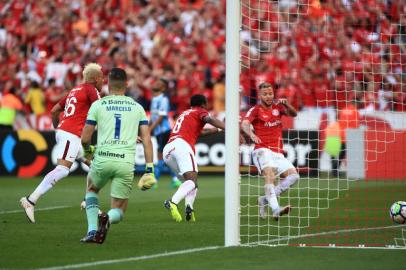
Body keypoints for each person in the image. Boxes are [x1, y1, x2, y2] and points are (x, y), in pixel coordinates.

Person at [20, 63, 104, 223]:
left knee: (97, 166)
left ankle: (88, 201)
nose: (103, 82)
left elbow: (54, 111)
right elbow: (102, 109)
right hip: (72, 134)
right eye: (102, 79)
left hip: (66, 132)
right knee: (63, 170)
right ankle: (30, 200)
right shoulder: (90, 89)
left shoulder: (75, 90)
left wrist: (58, 129)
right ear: (95, 79)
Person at [79, 67, 154, 243]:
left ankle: (91, 231)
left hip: (103, 158)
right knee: (119, 209)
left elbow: (85, 138)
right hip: (125, 162)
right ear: (127, 84)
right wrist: (149, 168)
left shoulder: (98, 105)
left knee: (92, 188)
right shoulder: (137, 107)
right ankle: (108, 218)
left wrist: (89, 152)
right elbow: (146, 139)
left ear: (107, 83)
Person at [241, 82, 299, 220]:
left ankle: (264, 200)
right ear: (260, 95)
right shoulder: (255, 110)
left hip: (278, 152)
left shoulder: (278, 108)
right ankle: (276, 208)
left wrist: (286, 104)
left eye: (270, 94)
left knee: (294, 176)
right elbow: (244, 124)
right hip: (262, 150)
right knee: (270, 174)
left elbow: (294, 114)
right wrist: (251, 134)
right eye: (265, 94)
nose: (268, 96)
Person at [163, 94, 225, 222]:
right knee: (191, 181)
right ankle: (172, 202)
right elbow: (208, 119)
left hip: (168, 150)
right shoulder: (200, 111)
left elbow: (200, 132)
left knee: (191, 183)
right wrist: (226, 126)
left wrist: (218, 130)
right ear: (203, 104)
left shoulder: (185, 113)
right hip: (182, 146)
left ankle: (189, 208)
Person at [149, 78, 181, 188]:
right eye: (156, 81)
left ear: (163, 88)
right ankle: (175, 179)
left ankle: (155, 181)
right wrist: (149, 126)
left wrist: (149, 129)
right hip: (158, 131)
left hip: (163, 130)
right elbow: (153, 116)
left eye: (158, 83)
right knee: (164, 157)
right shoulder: (154, 99)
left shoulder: (163, 99)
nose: (155, 83)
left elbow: (161, 117)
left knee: (161, 156)